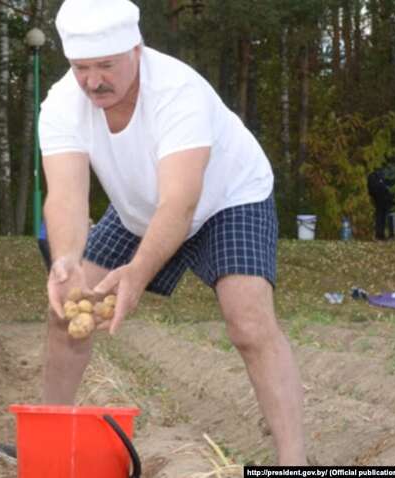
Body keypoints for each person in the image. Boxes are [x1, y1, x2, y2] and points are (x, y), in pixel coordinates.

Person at [38, 0, 305, 464]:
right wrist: (65, 258)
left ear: (136, 50)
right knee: (67, 311)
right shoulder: (62, 103)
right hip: (138, 210)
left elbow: (180, 204)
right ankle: (48, 445)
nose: (93, 81)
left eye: (106, 65)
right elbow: (65, 197)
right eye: (82, 67)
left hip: (227, 198)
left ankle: (295, 462)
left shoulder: (178, 91)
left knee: (248, 322)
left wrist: (137, 274)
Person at [367, 164, 395, 240]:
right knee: (392, 212)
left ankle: (379, 235)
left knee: (379, 213)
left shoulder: (375, 173)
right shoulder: (393, 171)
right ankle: (393, 235)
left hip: (378, 196)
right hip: (389, 196)